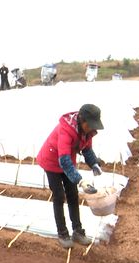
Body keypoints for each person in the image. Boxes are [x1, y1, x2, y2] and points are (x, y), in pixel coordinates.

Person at [37, 104, 105, 249]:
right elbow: (64, 161)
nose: (93, 128)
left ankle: (77, 231)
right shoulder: (65, 130)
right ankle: (62, 232)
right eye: (91, 125)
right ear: (82, 120)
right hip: (52, 161)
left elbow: (87, 149)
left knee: (73, 194)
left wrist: (94, 164)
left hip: (67, 160)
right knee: (59, 196)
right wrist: (80, 181)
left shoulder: (88, 131)